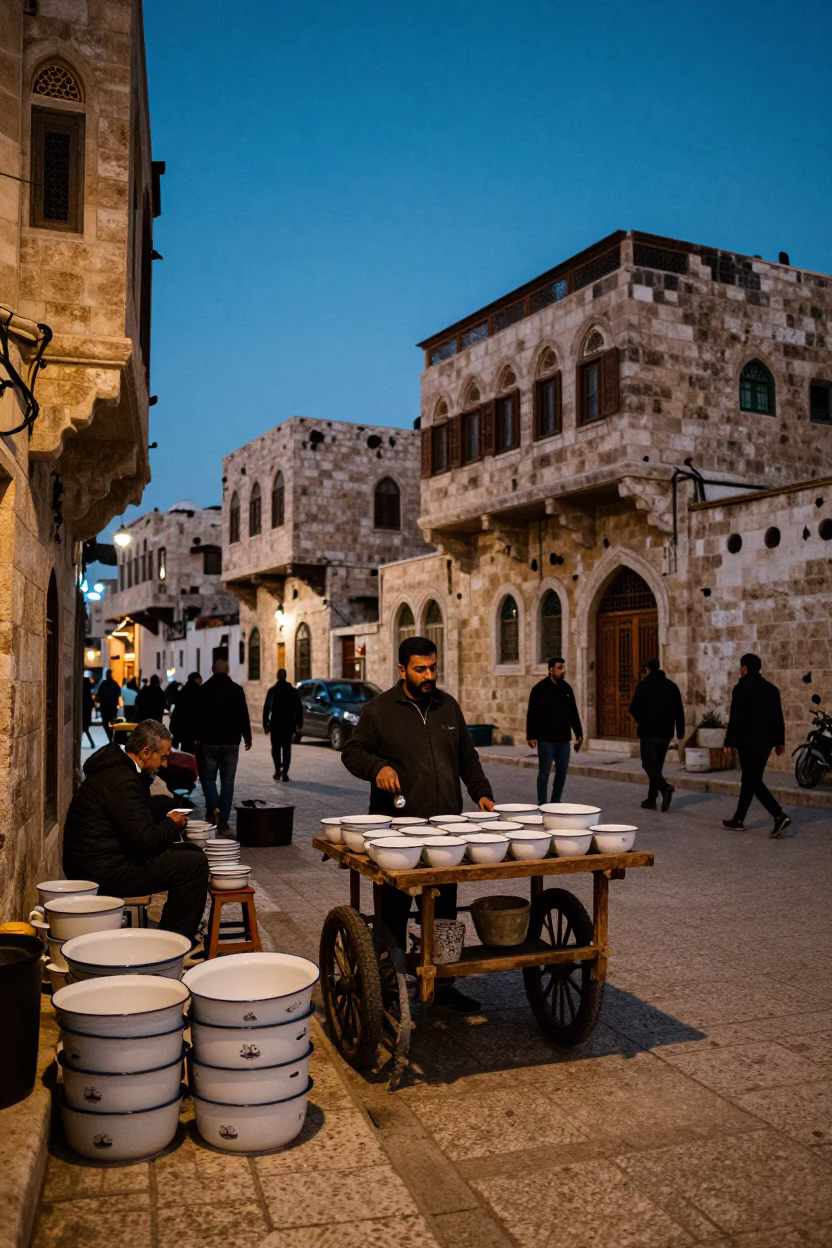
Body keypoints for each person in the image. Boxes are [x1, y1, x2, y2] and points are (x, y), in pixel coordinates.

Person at [342, 635, 495, 1013]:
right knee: (394, 912)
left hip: (447, 833)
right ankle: (389, 989)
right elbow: (353, 752)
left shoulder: (447, 707)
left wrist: (482, 794)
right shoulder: (379, 710)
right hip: (398, 834)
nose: (429, 676)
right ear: (402, 670)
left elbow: (467, 760)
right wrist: (378, 767)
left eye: (433, 668)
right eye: (420, 669)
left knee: (444, 912)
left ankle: (442, 985)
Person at [62, 719, 209, 941]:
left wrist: (165, 813)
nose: (165, 765)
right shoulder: (124, 782)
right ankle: (176, 941)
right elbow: (143, 843)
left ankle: (175, 930)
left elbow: (132, 818)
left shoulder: (120, 770)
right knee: (194, 866)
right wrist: (171, 825)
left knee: (191, 852)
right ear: (146, 752)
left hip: (102, 859)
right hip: (99, 870)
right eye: (163, 757)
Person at [722, 653, 790, 837]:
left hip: (748, 742)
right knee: (750, 778)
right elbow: (778, 717)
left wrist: (728, 741)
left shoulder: (741, 687)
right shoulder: (772, 689)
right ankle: (738, 819)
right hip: (766, 743)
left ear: (744, 668)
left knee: (752, 779)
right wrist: (780, 741)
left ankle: (778, 814)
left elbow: (736, 717)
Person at [195, 659, 252, 831]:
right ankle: (224, 819)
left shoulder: (203, 690)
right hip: (231, 742)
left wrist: (196, 735)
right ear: (227, 670)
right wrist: (247, 737)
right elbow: (244, 714)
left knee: (208, 778)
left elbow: (197, 715)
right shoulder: (236, 690)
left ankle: (214, 809)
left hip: (209, 742)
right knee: (228, 781)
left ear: (212, 670)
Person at [629, 657, 685, 812]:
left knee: (648, 765)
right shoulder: (672, 686)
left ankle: (665, 788)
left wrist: (642, 721)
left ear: (648, 669)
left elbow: (633, 708)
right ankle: (651, 799)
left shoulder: (643, 686)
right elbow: (679, 711)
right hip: (666, 733)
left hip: (648, 733)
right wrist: (680, 732)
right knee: (656, 766)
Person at [526, 656, 583, 804]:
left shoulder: (566, 689)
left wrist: (579, 733)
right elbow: (532, 713)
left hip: (563, 739)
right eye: (559, 668)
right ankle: (542, 803)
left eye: (563, 668)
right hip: (546, 740)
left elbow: (573, 713)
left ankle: (555, 801)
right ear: (551, 669)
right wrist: (530, 735)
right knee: (544, 772)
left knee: (562, 772)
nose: (562, 671)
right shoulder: (539, 689)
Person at [263, 669, 303, 781]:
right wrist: (299, 723)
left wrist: (265, 724)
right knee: (286, 749)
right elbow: (298, 708)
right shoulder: (292, 692)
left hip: (275, 725)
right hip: (288, 725)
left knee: (275, 749)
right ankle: (285, 773)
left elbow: (267, 708)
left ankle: (277, 770)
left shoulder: (273, 691)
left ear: (277, 676)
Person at [170, 671, 202, 755]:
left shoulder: (182, 691)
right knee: (190, 750)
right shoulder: (198, 692)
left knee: (183, 749)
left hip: (180, 725)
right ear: (196, 679)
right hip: (192, 727)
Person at [96, 668, 121, 742]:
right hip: (113, 707)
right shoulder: (115, 684)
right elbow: (118, 693)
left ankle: (110, 739)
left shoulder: (103, 684)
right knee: (112, 723)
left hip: (104, 707)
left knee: (105, 724)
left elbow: (98, 695)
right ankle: (112, 738)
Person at [81, 676, 95, 748]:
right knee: (85, 729)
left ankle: (92, 743)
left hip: (82, 716)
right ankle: (92, 743)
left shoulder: (81, 696)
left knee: (84, 730)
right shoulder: (88, 697)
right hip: (86, 717)